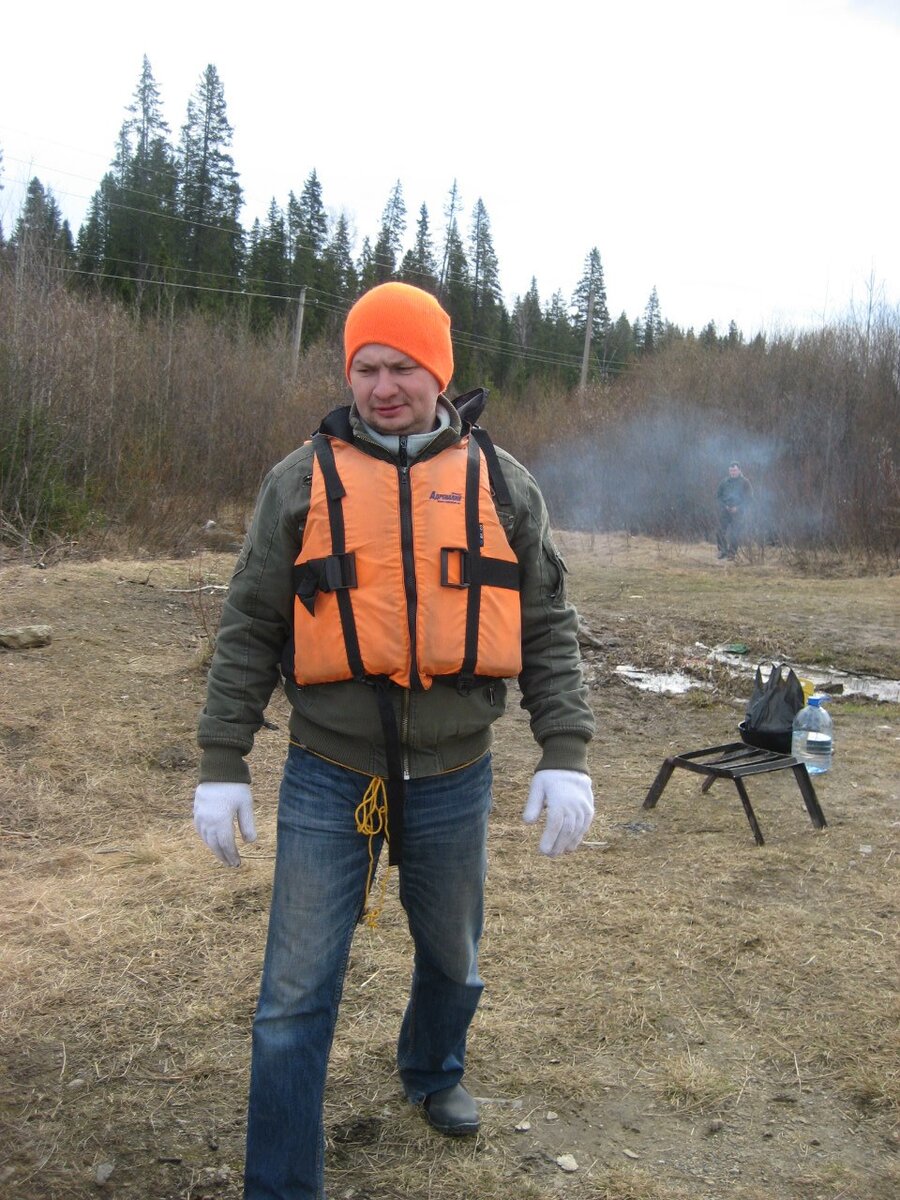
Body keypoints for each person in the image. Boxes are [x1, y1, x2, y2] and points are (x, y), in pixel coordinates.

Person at [193, 281, 595, 1200]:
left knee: (454, 957)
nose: (382, 385)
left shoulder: (503, 485)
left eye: (402, 366)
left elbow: (546, 626)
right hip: (327, 773)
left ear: (438, 372)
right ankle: (282, 1185)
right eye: (365, 367)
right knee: (293, 997)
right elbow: (250, 625)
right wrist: (223, 763)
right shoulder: (299, 481)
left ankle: (432, 1068)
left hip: (456, 773)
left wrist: (565, 750)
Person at [715, 461, 753, 559]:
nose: (733, 472)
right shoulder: (724, 482)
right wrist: (724, 506)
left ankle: (732, 553)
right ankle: (722, 551)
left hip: (739, 512)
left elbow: (749, 499)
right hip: (725, 510)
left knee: (735, 533)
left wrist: (738, 508)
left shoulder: (745, 482)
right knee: (719, 531)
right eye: (731, 471)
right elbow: (718, 497)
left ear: (739, 470)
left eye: (735, 470)